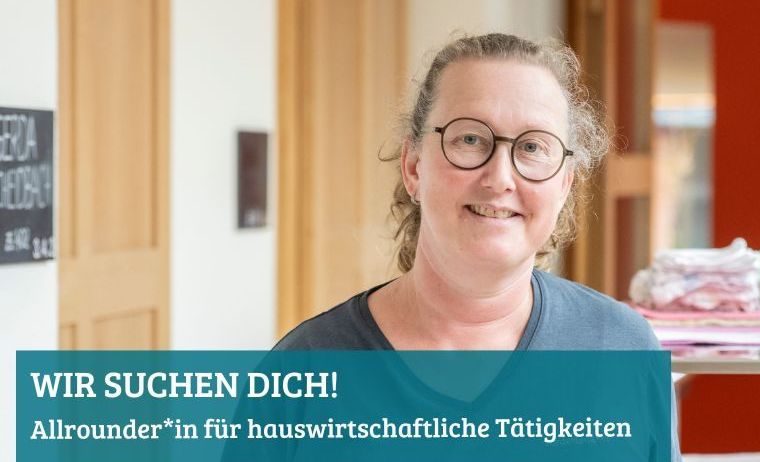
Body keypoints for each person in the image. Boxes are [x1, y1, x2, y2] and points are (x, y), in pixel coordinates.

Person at [273, 32, 680, 459]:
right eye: (469, 139)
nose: (500, 177)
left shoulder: (624, 351)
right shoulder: (303, 370)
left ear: (564, 185)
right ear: (413, 167)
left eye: (533, 147)